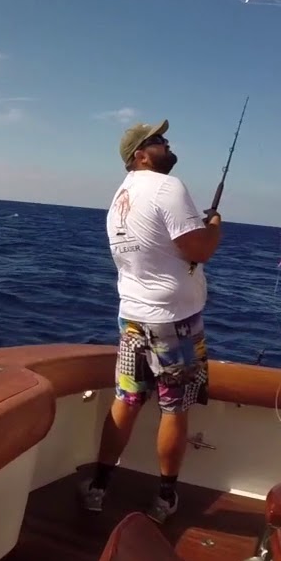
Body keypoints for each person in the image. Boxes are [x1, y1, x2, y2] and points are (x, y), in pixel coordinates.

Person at [80, 120, 223, 523]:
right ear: (139, 155)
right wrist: (214, 224)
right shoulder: (168, 187)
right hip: (173, 322)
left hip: (132, 319)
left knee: (126, 401)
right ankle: (165, 498)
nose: (166, 143)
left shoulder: (119, 196)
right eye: (158, 141)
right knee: (173, 409)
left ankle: (98, 487)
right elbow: (200, 249)